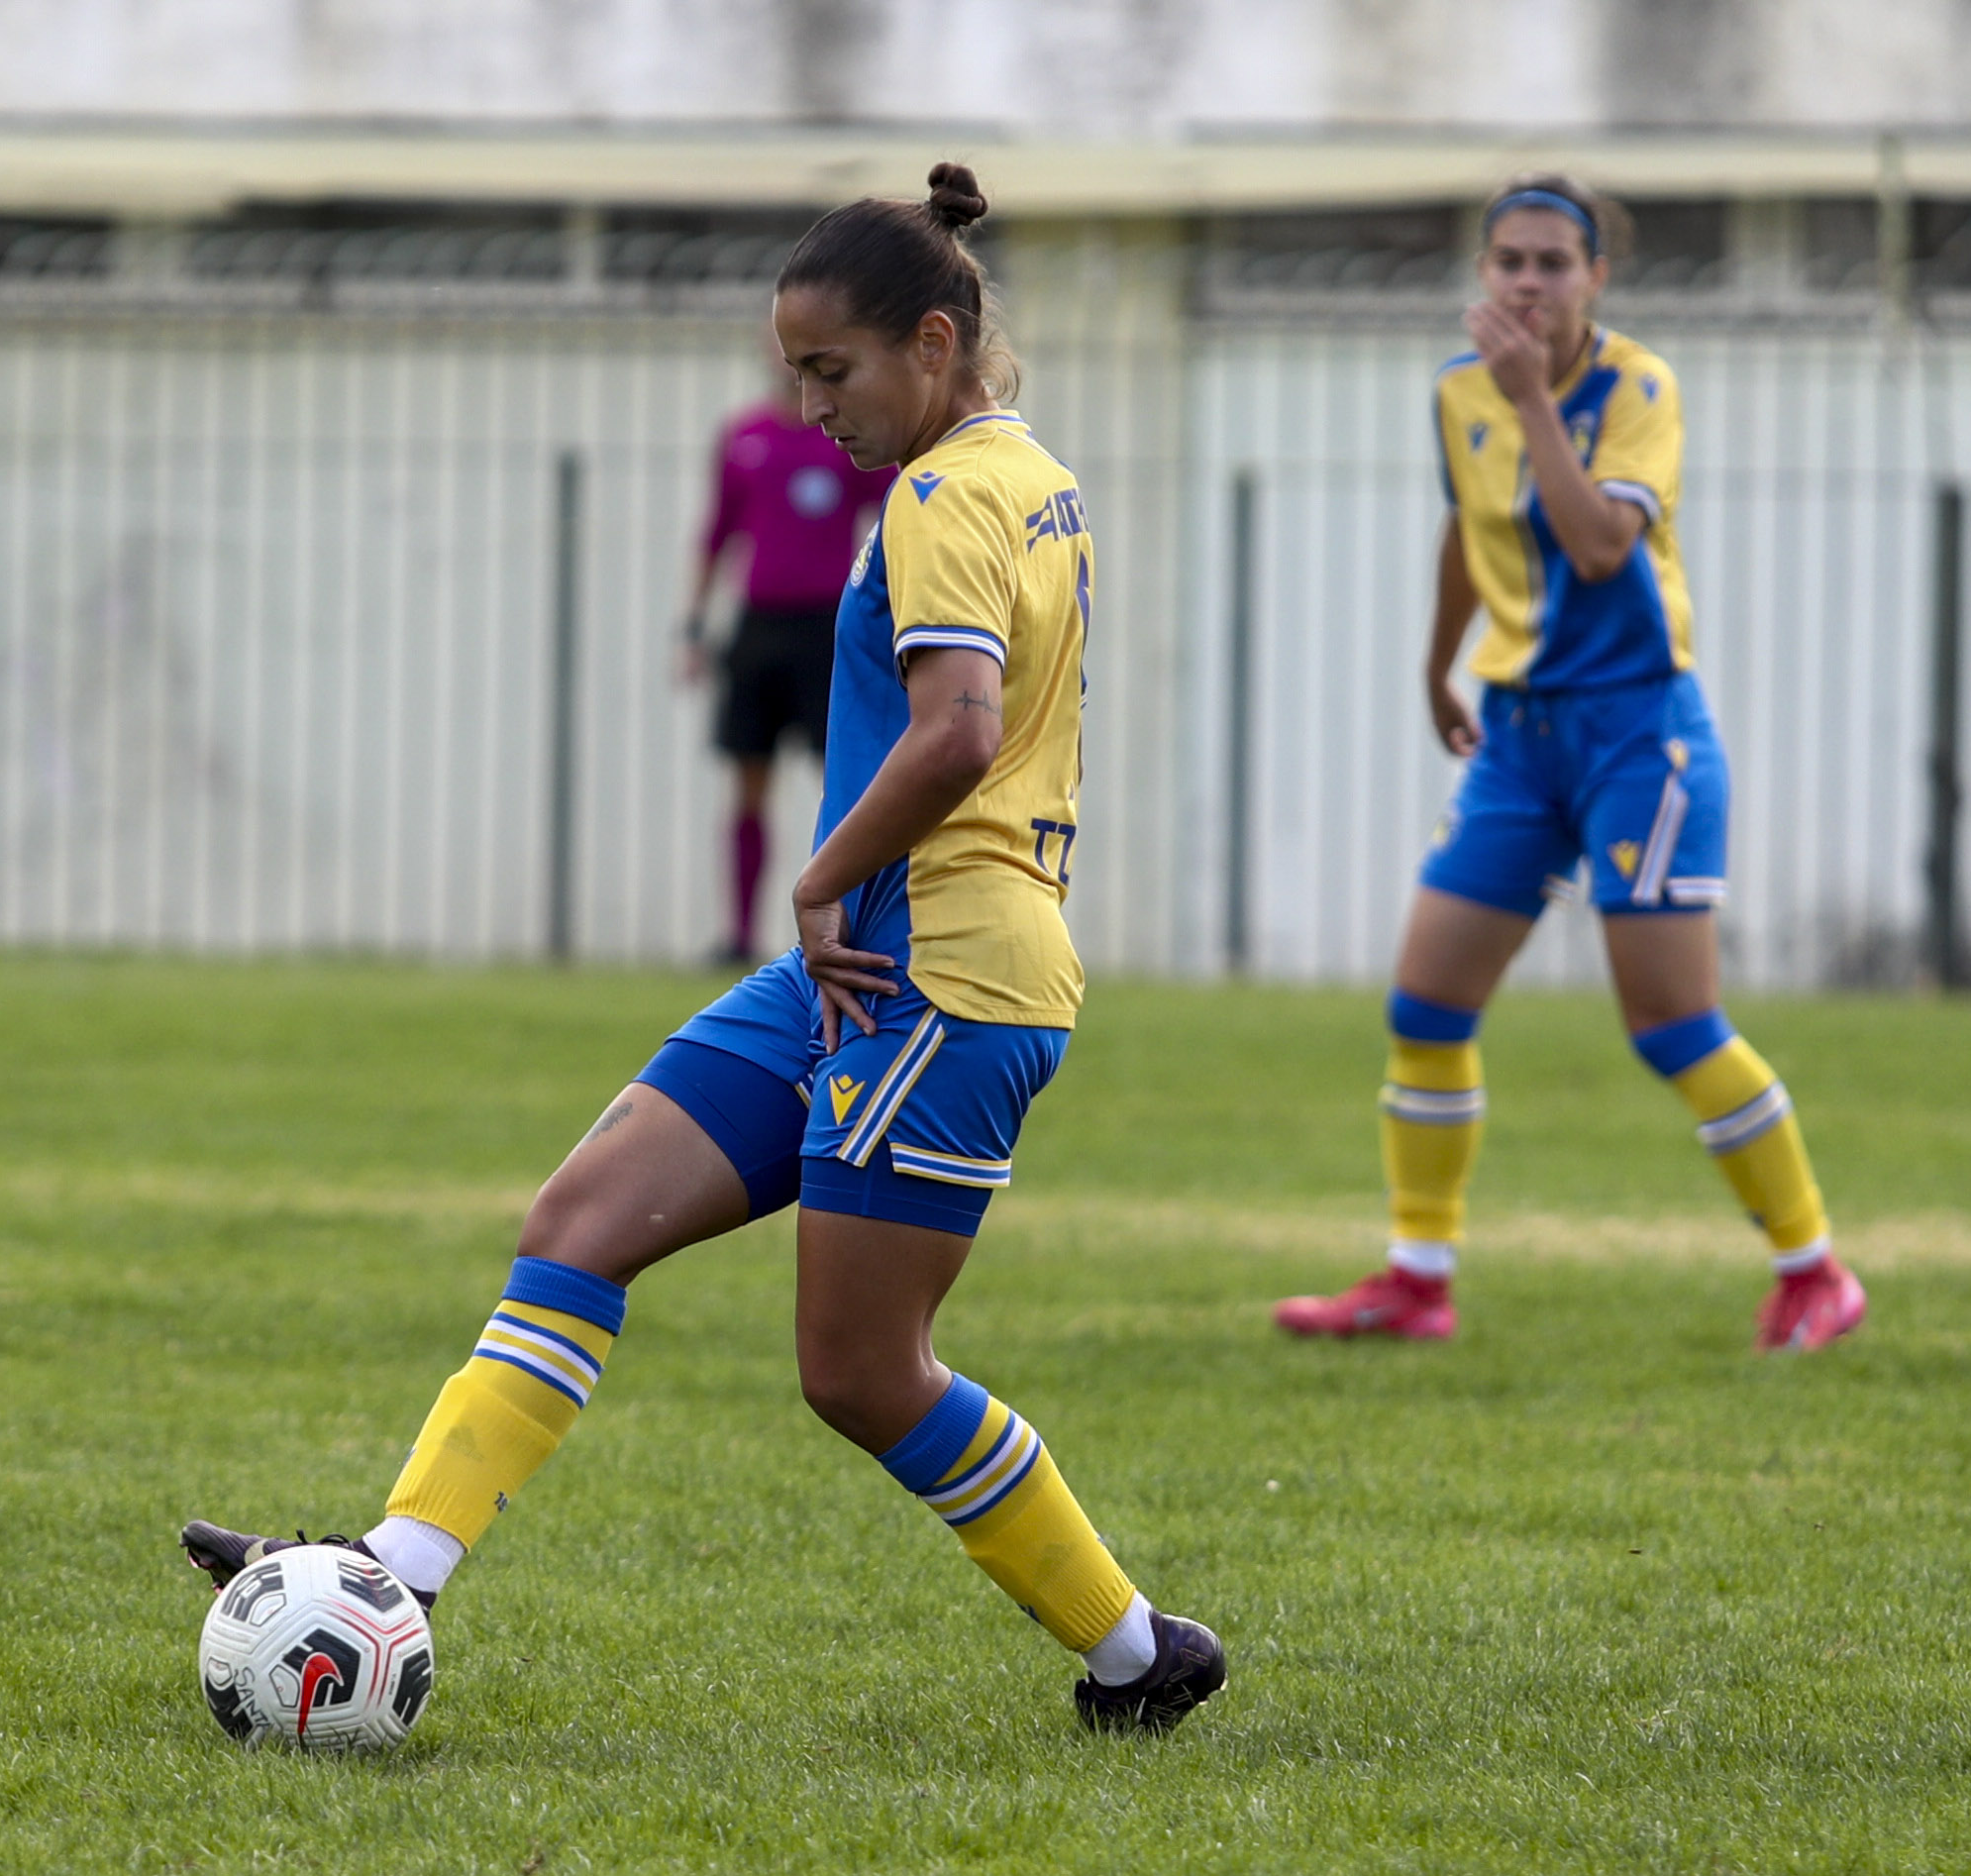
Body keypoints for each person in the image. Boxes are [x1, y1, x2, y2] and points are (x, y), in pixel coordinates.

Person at [185, 163, 1225, 1733]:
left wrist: (820, 875)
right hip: (868, 964)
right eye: (794, 373)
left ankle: (1142, 1653)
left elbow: (958, 731)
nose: (811, 408)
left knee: (861, 1372)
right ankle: (389, 1575)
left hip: (942, 978)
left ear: (934, 343)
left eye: (833, 371)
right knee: (583, 1218)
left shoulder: (944, 497)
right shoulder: (1024, 473)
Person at [1272, 173, 1865, 1354]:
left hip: (1640, 736)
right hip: (1518, 736)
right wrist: (1438, 666)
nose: (1529, 283)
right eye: (1509, 261)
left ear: (1599, 276)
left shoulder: (1637, 388)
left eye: (1553, 262)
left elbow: (1598, 546)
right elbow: (1469, 528)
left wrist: (1535, 400)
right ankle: (1418, 1281)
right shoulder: (1458, 391)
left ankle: (1815, 1271)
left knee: (1671, 1023)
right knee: (1426, 1005)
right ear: (1482, 272)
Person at [679, 344, 895, 963]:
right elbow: (717, 532)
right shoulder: (743, 437)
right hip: (758, 629)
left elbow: (893, 516)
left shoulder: (844, 438)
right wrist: (693, 628)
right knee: (749, 783)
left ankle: (854, 928)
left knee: (846, 785)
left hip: (827, 632)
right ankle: (740, 937)